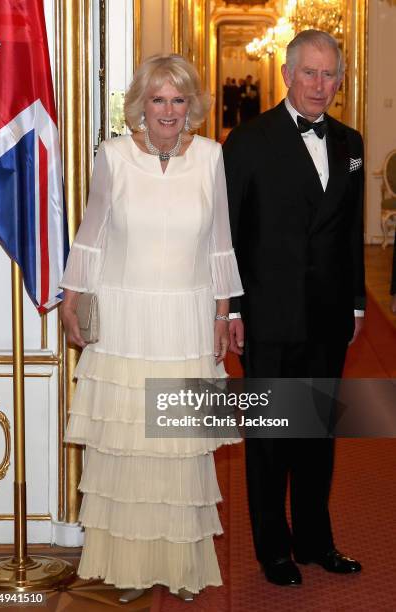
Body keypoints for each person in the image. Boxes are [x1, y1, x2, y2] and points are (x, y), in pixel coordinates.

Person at [60, 54, 243, 603]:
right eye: (158, 100)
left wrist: (223, 314)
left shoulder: (211, 156)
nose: (168, 111)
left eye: (178, 99)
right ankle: (130, 567)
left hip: (186, 324)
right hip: (125, 325)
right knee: (129, 450)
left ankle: (183, 566)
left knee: (180, 450)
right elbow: (92, 233)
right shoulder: (114, 156)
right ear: (140, 105)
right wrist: (72, 297)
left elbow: (220, 244)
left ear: (192, 106)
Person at [223, 30, 365, 586]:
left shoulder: (352, 143)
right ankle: (273, 549)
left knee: (316, 435)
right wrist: (231, 309)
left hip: (329, 316)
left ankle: (315, 540)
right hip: (268, 313)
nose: (321, 85)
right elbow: (228, 235)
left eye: (331, 74)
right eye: (310, 72)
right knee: (270, 438)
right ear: (286, 74)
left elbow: (350, 232)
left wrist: (356, 301)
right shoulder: (249, 141)